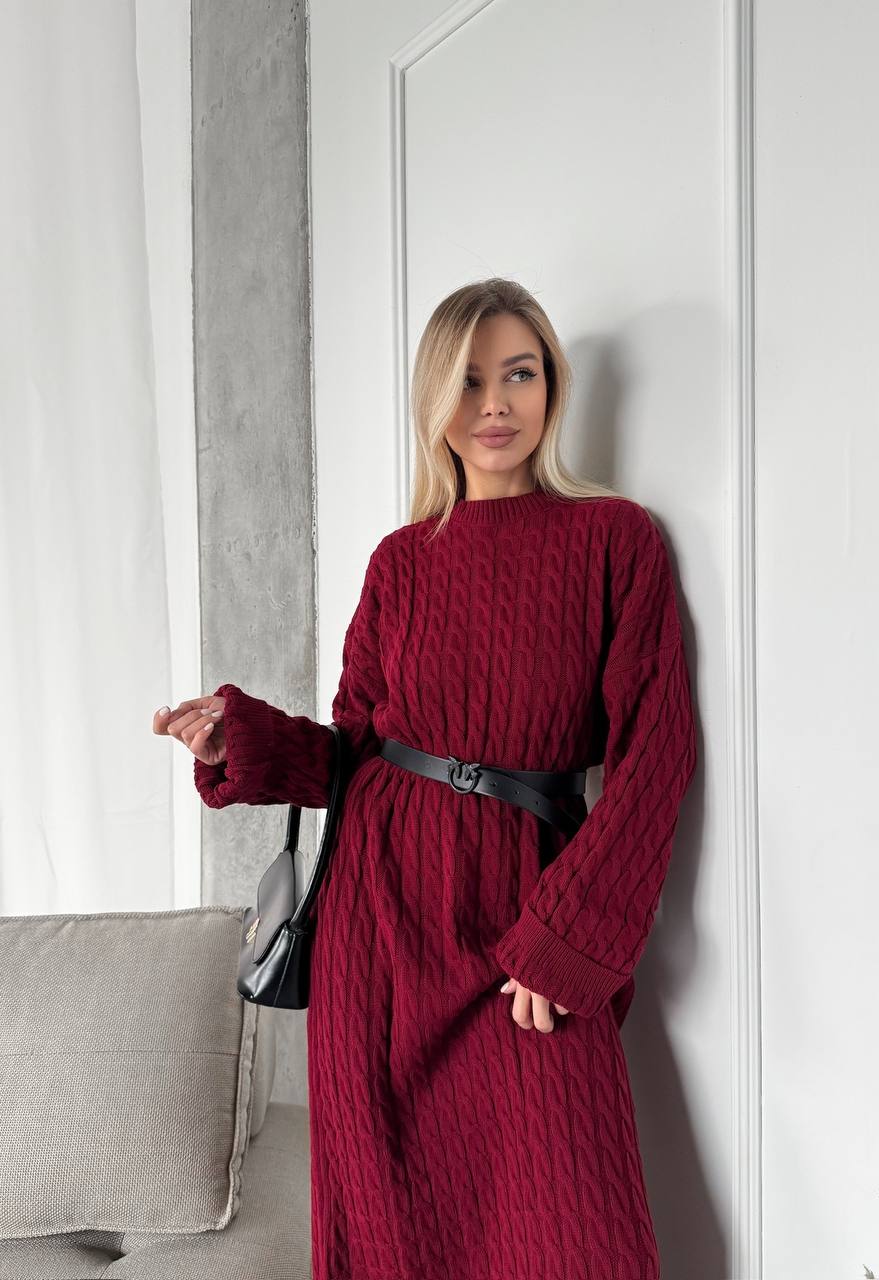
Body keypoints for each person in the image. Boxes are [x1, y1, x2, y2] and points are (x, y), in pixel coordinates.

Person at [153, 278, 697, 1280]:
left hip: (525, 913)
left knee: (579, 1232)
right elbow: (355, 750)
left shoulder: (615, 541)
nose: (495, 404)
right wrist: (244, 743)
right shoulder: (401, 562)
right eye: (469, 380)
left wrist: (569, 935)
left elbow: (654, 755)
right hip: (380, 921)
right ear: (434, 402)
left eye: (519, 374)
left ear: (552, 386)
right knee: (394, 1227)